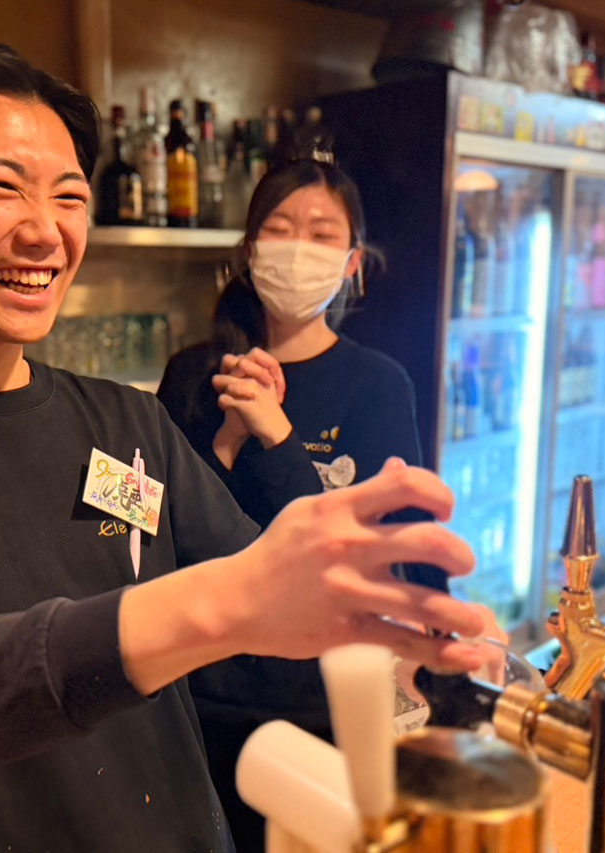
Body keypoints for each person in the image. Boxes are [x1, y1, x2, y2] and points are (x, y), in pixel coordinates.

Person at [0, 42, 489, 852]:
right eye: (0, 186)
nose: (45, 231)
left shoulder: (127, 428)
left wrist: (397, 644)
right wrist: (213, 603)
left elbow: (264, 621)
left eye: (69, 196)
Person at [156, 160, 449, 850]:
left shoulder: (379, 386)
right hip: (199, 694)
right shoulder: (193, 375)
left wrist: (278, 438)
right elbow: (166, 540)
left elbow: (374, 560)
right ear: (250, 250)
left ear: (352, 263)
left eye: (321, 234)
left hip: (320, 703)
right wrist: (228, 439)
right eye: (279, 228)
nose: (297, 248)